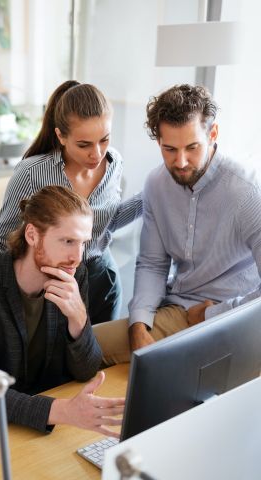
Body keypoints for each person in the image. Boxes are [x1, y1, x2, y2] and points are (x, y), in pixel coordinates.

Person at [0, 80, 142, 324]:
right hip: (50, 288)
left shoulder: (113, 162)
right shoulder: (33, 173)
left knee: (100, 359)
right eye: (84, 144)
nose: (96, 153)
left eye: (104, 140)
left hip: (101, 280)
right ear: (61, 136)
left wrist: (151, 196)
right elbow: (0, 238)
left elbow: (108, 221)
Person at [94, 84, 261, 364]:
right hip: (181, 310)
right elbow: (152, 263)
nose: (180, 161)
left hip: (236, 315)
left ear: (213, 134)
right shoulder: (156, 185)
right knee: (87, 349)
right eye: (169, 149)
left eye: (192, 147)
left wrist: (212, 316)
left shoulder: (247, 191)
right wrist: (139, 322)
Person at [0, 186, 124, 434]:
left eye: (83, 243)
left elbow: (86, 370)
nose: (77, 256)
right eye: (67, 241)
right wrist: (64, 411)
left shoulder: (73, 275)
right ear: (32, 235)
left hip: (36, 418)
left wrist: (79, 319)